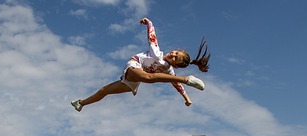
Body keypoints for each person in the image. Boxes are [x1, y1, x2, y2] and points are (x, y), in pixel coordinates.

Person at [70, 17, 209, 112]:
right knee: (107, 90)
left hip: (136, 79)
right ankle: (81, 103)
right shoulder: (157, 53)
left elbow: (176, 85)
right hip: (134, 66)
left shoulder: (168, 70)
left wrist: (186, 98)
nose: (172, 55)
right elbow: (152, 37)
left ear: (176, 66)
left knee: (142, 79)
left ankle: (187, 79)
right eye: (175, 53)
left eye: (175, 59)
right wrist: (149, 23)